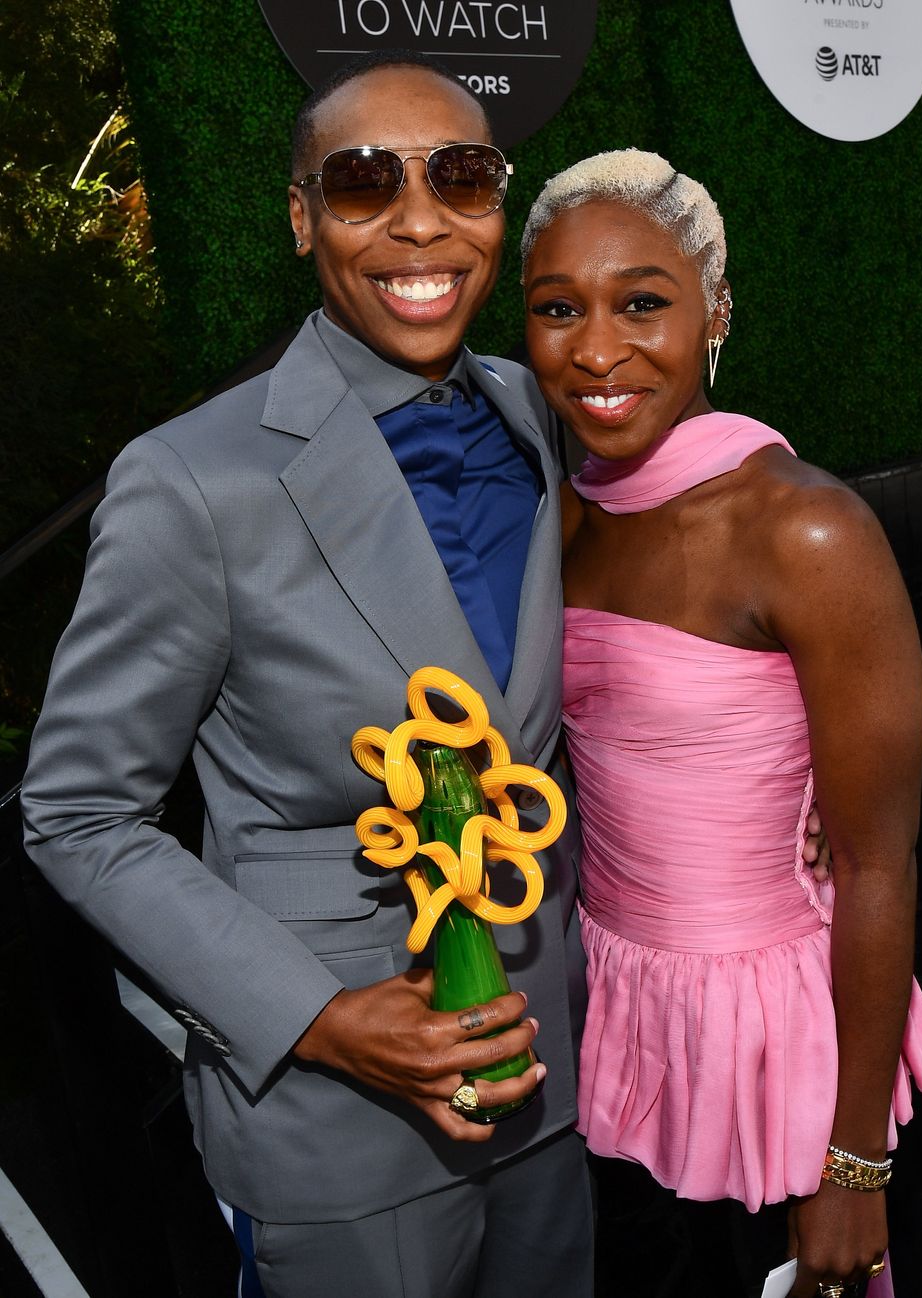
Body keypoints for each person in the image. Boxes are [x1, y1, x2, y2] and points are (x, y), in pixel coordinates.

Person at [20, 52, 593, 1298]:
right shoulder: (192, 481)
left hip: (554, 1070)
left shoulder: (541, 411)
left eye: (459, 174)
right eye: (360, 182)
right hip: (344, 1127)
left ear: (499, 202)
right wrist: (326, 1021)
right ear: (300, 218)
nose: (417, 217)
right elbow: (77, 813)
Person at [520, 150, 922, 1298]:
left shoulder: (802, 530)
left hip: (773, 1055)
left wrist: (852, 1161)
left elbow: (874, 861)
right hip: (610, 1007)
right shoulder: (559, 516)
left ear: (714, 307)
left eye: (642, 302)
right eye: (558, 308)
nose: (597, 349)